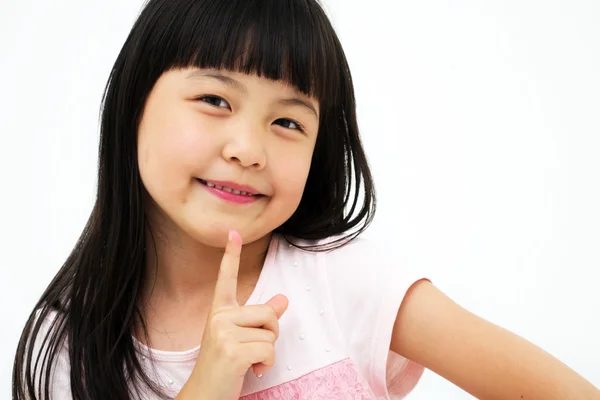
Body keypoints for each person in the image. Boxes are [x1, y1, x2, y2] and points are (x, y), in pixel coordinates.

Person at [12, 0, 600, 399]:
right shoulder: (66, 343)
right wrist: (209, 382)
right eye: (216, 100)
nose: (248, 149)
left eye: (289, 123)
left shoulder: (342, 279)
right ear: (133, 104)